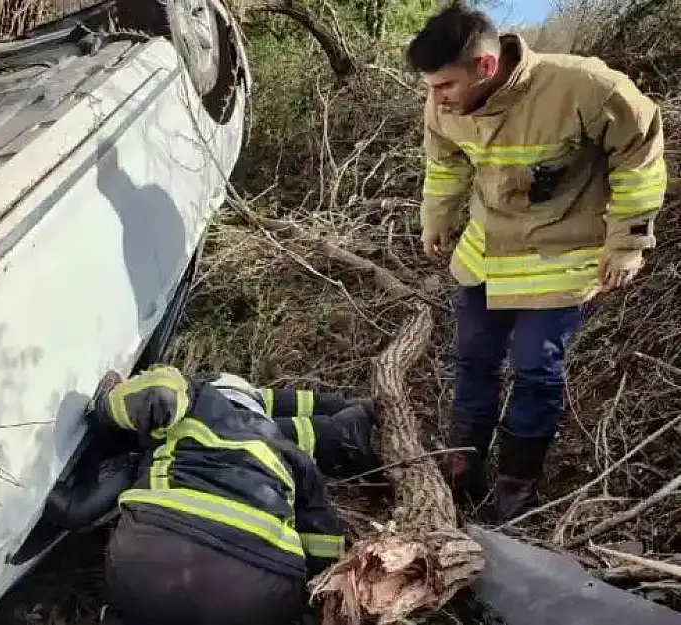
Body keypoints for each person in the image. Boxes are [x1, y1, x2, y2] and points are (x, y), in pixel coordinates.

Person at [406, 5, 667, 522]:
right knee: (473, 360)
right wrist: (435, 217)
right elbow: (446, 162)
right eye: (431, 86)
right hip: (486, 254)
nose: (436, 98)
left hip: (559, 257)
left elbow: (639, 154)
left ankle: (515, 488)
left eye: (444, 86)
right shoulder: (444, 104)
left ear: (484, 67)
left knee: (534, 370)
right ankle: (463, 469)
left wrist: (627, 243)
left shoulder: (586, 87)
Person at [44, 364, 379, 625]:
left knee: (139, 469)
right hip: (261, 594)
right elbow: (323, 542)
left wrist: (105, 406)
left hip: (153, 559)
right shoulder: (291, 454)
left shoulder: (199, 397)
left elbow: (158, 393)